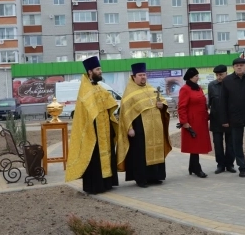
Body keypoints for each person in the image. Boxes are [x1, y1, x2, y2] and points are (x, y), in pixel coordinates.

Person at [65, 56, 119, 194]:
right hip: (92, 128)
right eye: (97, 69)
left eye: (100, 69)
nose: (100, 71)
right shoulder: (85, 89)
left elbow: (109, 104)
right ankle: (95, 186)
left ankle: (107, 183)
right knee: (94, 158)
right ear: (90, 72)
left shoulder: (99, 87)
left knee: (107, 154)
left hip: (105, 127)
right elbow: (85, 112)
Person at [117, 63, 172, 188]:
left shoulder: (151, 88)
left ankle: (155, 177)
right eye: (140, 75)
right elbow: (125, 113)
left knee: (156, 150)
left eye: (144, 74)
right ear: (134, 77)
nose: (143, 77)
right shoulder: (129, 93)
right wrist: (129, 128)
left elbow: (162, 102)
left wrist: (162, 106)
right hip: (140, 129)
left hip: (155, 128)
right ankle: (141, 179)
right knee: (140, 154)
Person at [178, 67, 212, 178]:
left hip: (201, 121)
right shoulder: (185, 89)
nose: (198, 78)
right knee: (195, 145)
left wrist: (207, 116)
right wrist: (184, 122)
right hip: (192, 122)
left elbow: (203, 104)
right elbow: (181, 107)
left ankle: (192, 167)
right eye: (196, 76)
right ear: (190, 77)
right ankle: (197, 168)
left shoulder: (198, 88)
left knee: (197, 145)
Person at [208, 64, 236, 174]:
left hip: (230, 119)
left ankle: (230, 164)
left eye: (221, 74)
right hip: (216, 120)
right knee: (218, 144)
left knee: (231, 144)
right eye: (217, 75)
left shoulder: (232, 84)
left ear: (226, 73)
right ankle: (220, 165)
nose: (219, 77)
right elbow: (210, 102)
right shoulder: (212, 86)